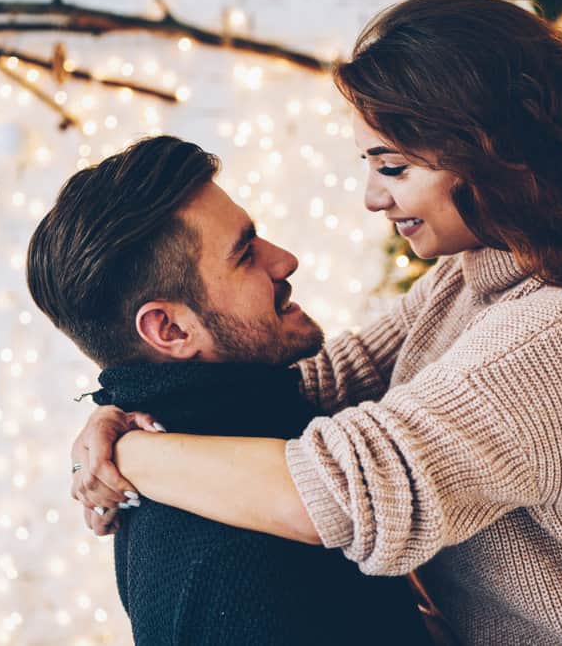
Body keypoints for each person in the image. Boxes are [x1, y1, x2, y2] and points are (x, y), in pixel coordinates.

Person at [71, 0, 562, 645]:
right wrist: (116, 413)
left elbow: (345, 493)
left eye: (393, 166)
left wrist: (131, 452)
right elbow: (326, 381)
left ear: (492, 154)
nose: (372, 196)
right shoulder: (478, 273)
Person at [26, 136, 430, 645]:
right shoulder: (231, 559)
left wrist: (121, 430)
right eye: (245, 254)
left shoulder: (246, 424)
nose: (285, 260)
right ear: (170, 331)